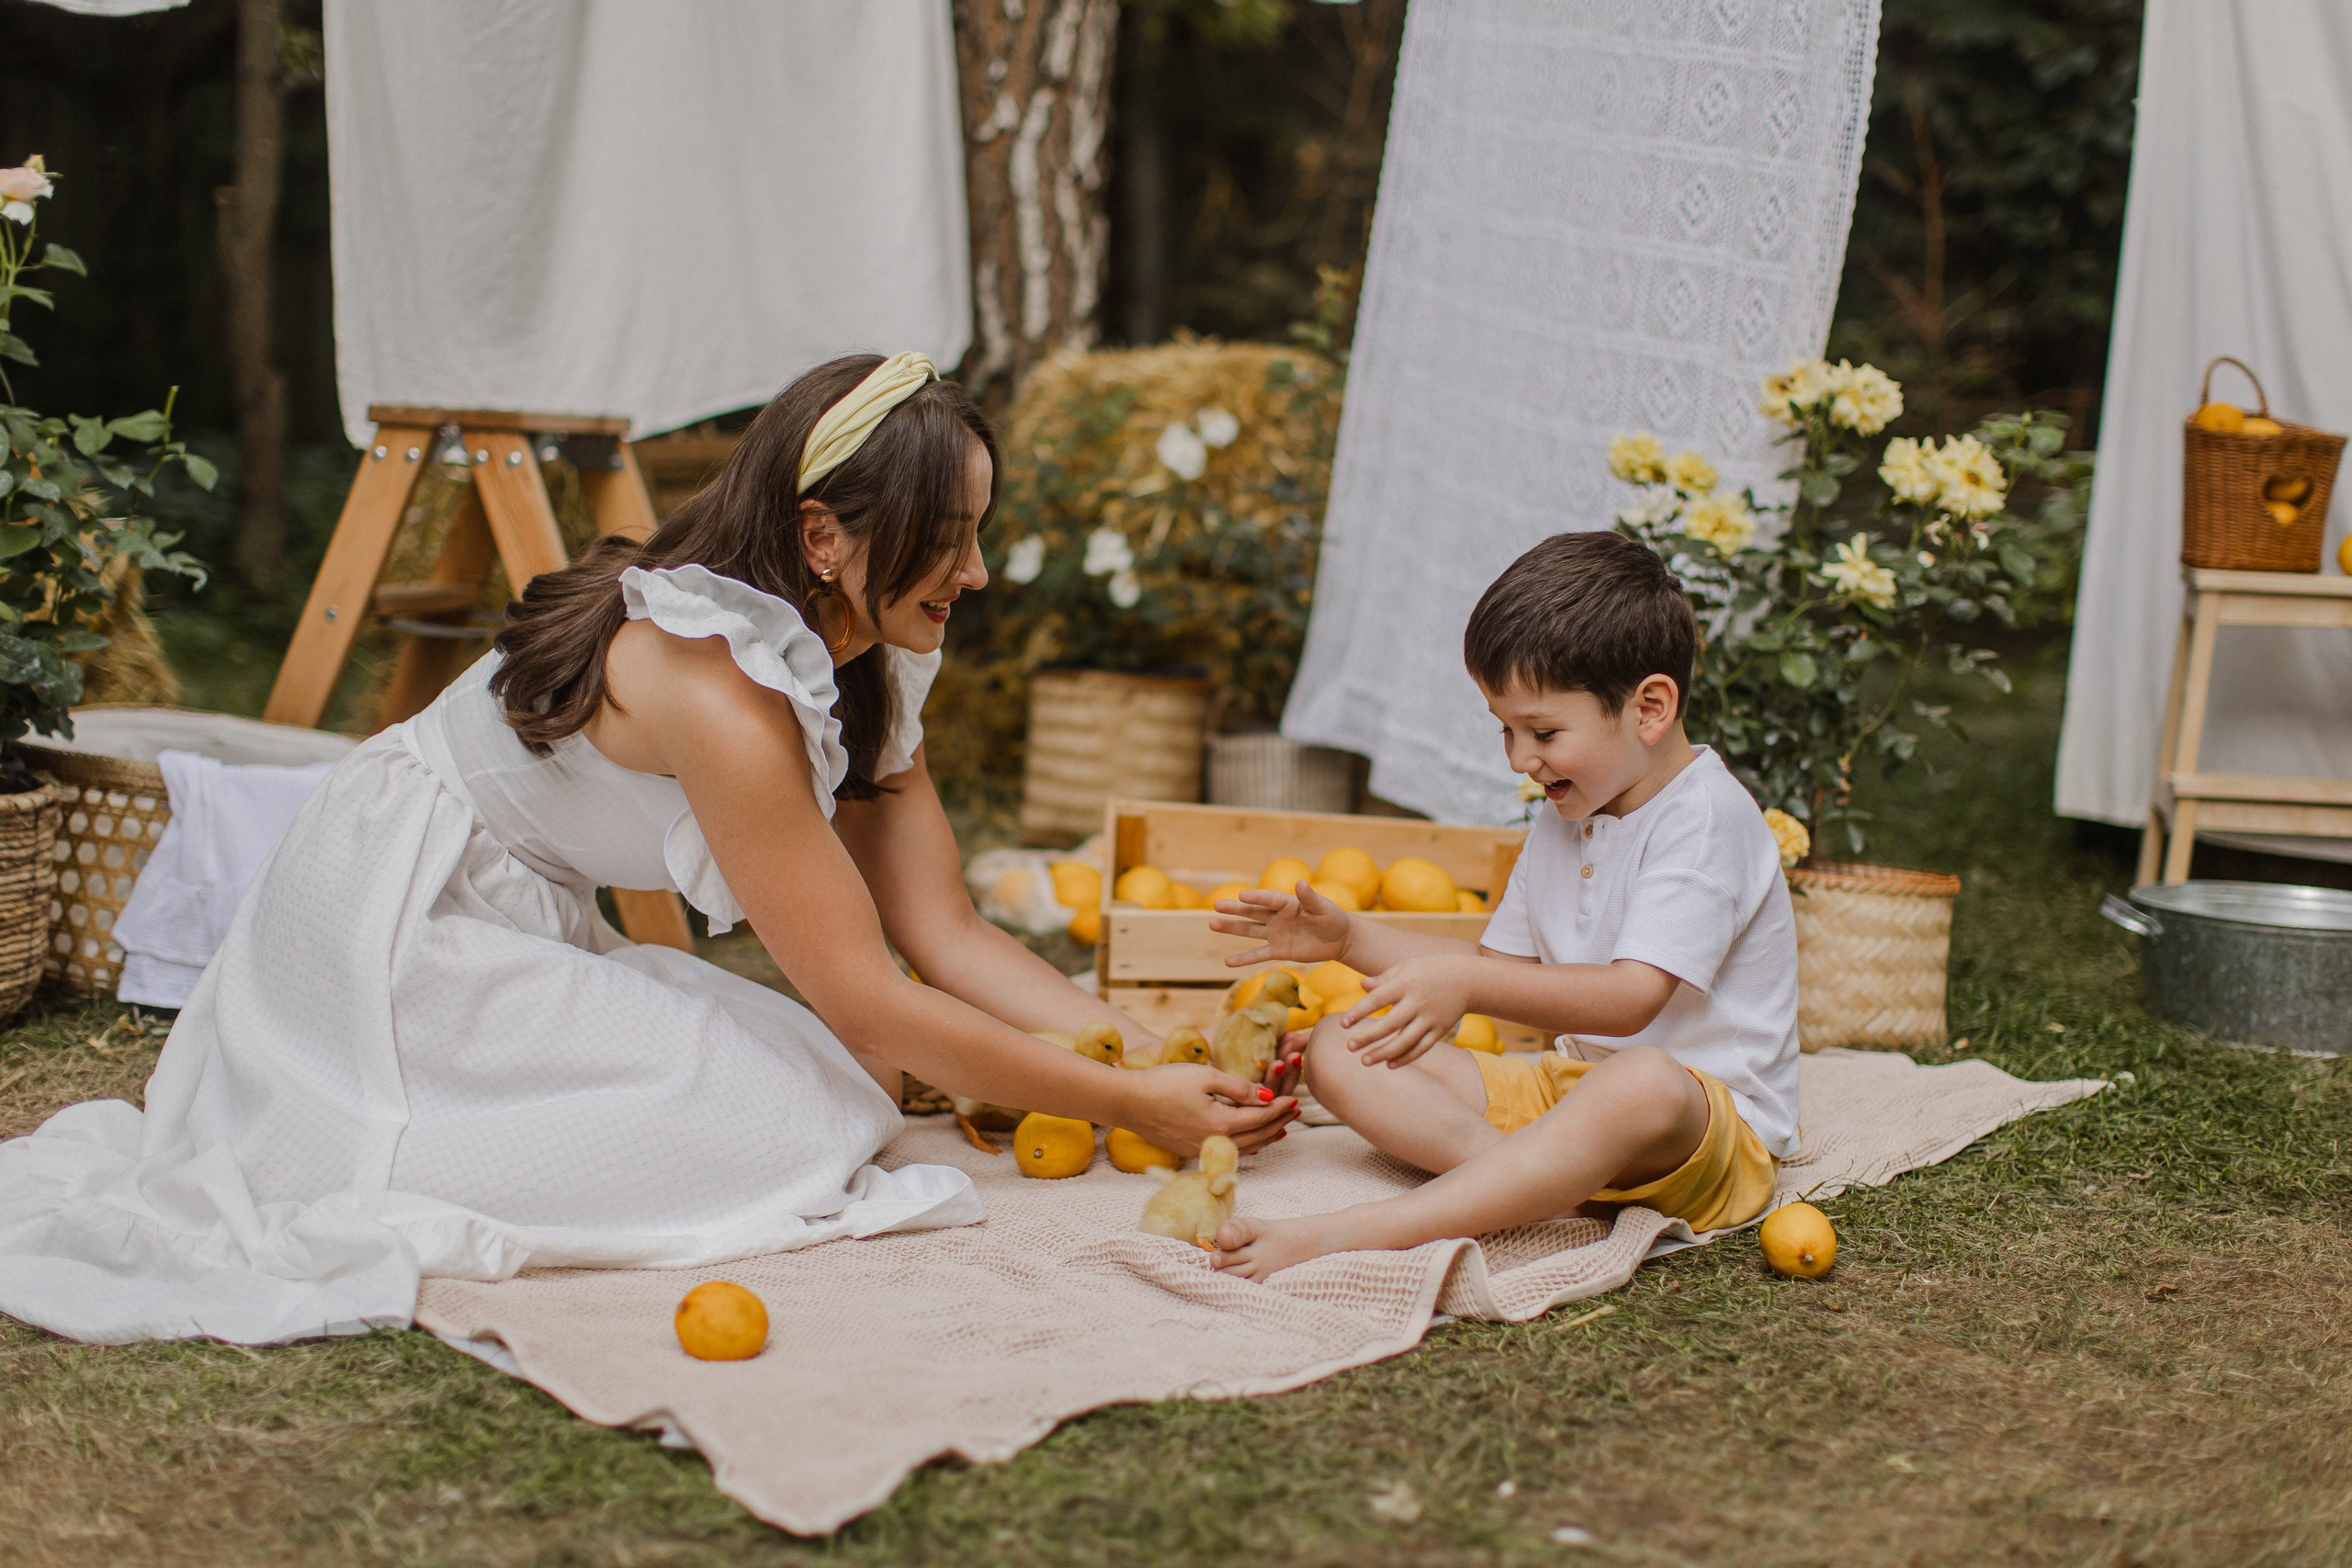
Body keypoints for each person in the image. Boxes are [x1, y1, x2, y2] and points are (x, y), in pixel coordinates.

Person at [0, 352, 1295, 1347]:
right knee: (815, 1101)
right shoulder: (721, 692)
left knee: (825, 1093)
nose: (981, 569)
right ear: (824, 536)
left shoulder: (861, 663)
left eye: (977, 528)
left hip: (519, 911)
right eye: (951, 534)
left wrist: (1138, 1049)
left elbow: (946, 932)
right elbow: (868, 994)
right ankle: (387, 1127)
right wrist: (1124, 1106)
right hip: (390, 919)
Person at [1207, 531, 1795, 1279]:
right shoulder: (1566, 815)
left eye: (1544, 731)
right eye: (1506, 731)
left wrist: (1471, 986)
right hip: (1572, 1091)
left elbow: (1628, 1000)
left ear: (1650, 707)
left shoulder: (1704, 818)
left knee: (1640, 1078)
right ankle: (1537, 1185)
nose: (1520, 759)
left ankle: (1373, 1226)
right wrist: (1348, 936)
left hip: (1704, 1128)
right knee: (1337, 1045)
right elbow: (1493, 967)